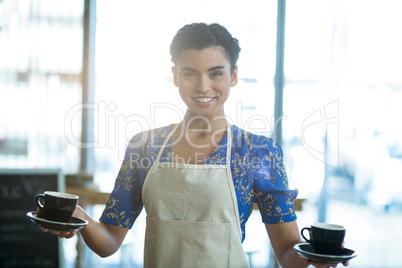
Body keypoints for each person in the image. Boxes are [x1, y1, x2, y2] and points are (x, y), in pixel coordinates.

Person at [43, 23, 348, 268]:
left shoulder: (259, 153)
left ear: (234, 76)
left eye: (216, 73)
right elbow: (109, 241)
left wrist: (317, 257)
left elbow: (286, 253)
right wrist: (79, 218)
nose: (203, 86)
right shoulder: (144, 147)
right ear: (175, 75)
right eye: (190, 73)